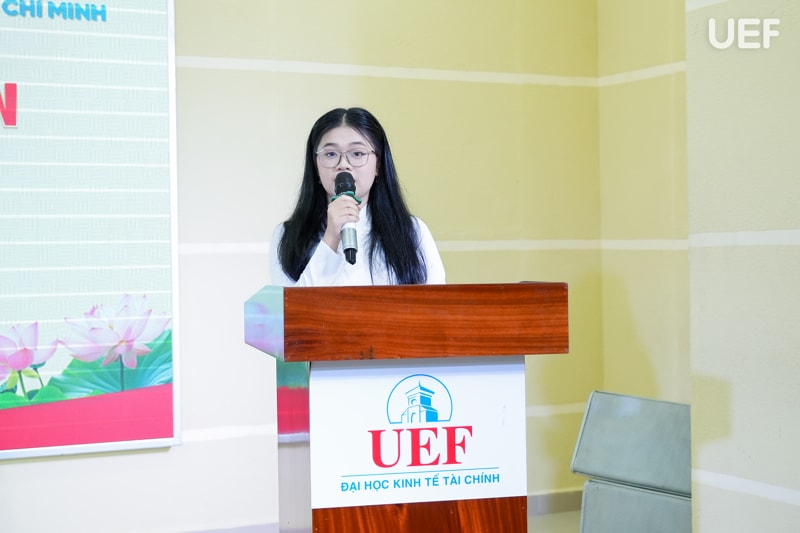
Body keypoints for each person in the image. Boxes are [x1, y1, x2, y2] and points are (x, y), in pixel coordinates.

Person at [269, 107, 446, 287]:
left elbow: (436, 300)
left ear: (378, 166)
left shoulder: (412, 231)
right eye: (331, 154)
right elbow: (292, 304)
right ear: (315, 167)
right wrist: (331, 238)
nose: (343, 165)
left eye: (357, 153)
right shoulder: (288, 235)